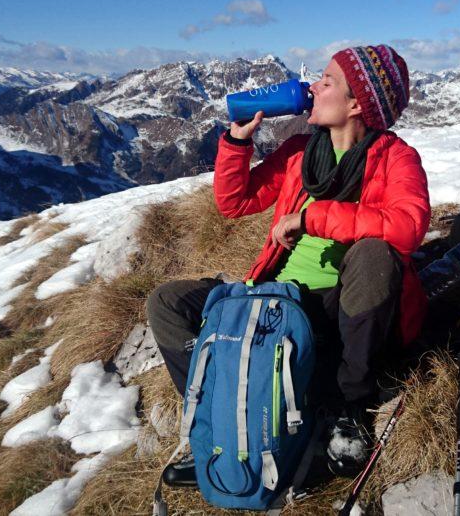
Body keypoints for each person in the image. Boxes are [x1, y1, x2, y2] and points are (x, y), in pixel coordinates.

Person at [147, 44, 431, 481]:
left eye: (327, 81)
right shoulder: (301, 151)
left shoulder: (396, 157)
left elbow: (408, 226)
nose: (313, 86)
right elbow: (235, 202)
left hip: (340, 308)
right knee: (168, 302)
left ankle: (349, 406)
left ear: (357, 103)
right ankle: (216, 421)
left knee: (375, 254)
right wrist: (237, 143)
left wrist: (313, 216)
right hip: (281, 295)